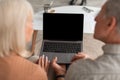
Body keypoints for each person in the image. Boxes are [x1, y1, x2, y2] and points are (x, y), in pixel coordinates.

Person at [52, 0, 120, 80]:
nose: (95, 18)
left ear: (110, 23)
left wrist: (60, 73)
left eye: (100, 13)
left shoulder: (80, 70)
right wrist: (92, 60)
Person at [0, 0, 49, 80]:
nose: (33, 27)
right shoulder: (35, 73)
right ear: (18, 29)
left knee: (34, 58)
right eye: (31, 21)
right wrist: (59, 75)